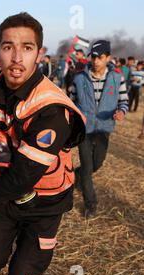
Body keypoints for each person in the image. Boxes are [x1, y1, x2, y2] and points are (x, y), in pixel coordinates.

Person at [0, 12, 86, 275]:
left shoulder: (51, 109)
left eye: (26, 48)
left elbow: (21, 179)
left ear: (39, 53)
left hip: (44, 203)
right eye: (7, 47)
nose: (16, 57)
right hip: (4, 195)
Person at [70, 40, 128, 217]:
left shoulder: (117, 78)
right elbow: (70, 101)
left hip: (104, 127)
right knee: (88, 167)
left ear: (108, 58)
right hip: (84, 129)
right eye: (93, 57)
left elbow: (123, 101)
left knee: (97, 163)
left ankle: (76, 175)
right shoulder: (79, 78)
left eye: (100, 57)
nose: (95, 61)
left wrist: (121, 112)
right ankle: (90, 204)